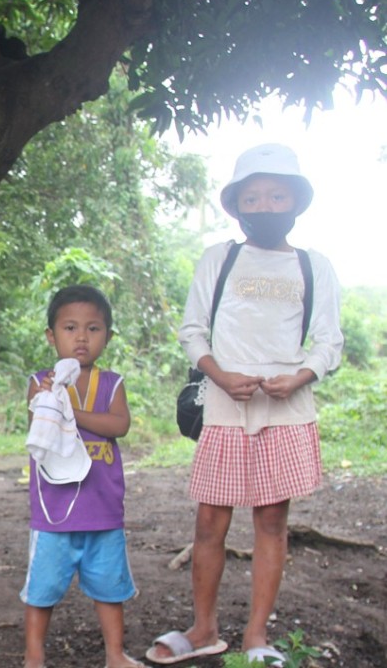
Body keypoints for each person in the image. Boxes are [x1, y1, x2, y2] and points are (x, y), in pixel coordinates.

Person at [147, 143, 343, 666]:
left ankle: (257, 638)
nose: (264, 207)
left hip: (287, 413)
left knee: (271, 523)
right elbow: (192, 332)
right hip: (225, 409)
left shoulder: (313, 265)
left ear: (296, 203)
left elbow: (329, 342)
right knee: (209, 523)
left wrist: (300, 377)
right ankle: (204, 629)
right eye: (252, 198)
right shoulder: (221, 258)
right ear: (236, 206)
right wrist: (221, 376)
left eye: (277, 195)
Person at [21, 285, 143, 668]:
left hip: (104, 513)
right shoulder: (41, 382)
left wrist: (71, 410)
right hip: (55, 516)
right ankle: (34, 657)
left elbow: (118, 425)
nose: (81, 337)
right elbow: (35, 428)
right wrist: (48, 399)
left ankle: (115, 655)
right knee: (41, 590)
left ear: (107, 335)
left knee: (110, 590)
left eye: (93, 329)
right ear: (51, 336)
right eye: (70, 327)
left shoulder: (112, 383)